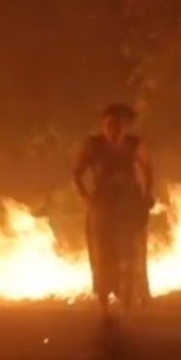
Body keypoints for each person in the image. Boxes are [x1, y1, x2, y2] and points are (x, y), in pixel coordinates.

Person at [74, 103, 154, 311]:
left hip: (129, 204)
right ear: (104, 126)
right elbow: (78, 173)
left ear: (124, 127)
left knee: (131, 251)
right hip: (103, 206)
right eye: (109, 125)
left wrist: (146, 196)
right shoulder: (94, 145)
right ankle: (104, 303)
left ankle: (132, 298)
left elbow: (147, 169)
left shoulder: (133, 144)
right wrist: (87, 197)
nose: (113, 130)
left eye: (118, 125)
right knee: (102, 254)